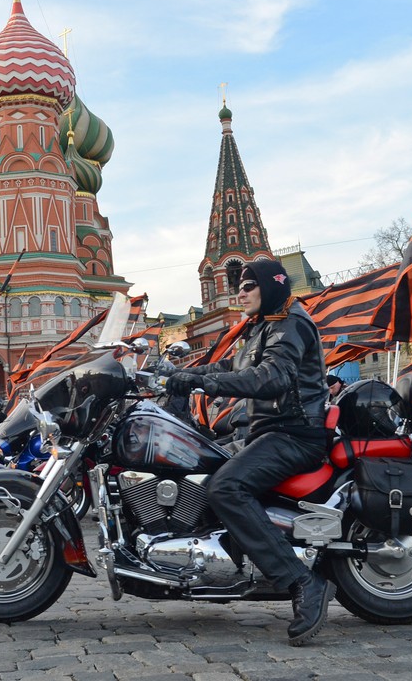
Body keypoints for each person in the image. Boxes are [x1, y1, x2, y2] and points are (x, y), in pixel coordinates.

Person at [165, 259, 332, 646]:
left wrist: (200, 383)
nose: (239, 292)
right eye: (238, 285)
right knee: (197, 465)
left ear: (270, 286)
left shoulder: (290, 323)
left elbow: (272, 376)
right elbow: (233, 365)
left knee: (226, 487)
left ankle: (302, 582)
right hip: (267, 430)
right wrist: (180, 371)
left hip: (293, 433)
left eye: (247, 285)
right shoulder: (266, 324)